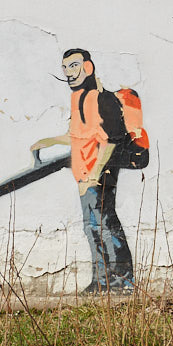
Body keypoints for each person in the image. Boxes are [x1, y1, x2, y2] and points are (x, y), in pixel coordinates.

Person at [31, 49, 135, 293]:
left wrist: (96, 172)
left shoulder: (103, 99)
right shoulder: (78, 98)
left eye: (74, 65)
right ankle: (101, 280)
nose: (68, 72)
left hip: (99, 175)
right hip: (83, 175)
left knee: (106, 225)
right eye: (65, 67)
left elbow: (113, 139)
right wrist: (48, 141)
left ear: (88, 67)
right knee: (92, 229)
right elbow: (77, 136)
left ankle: (123, 280)